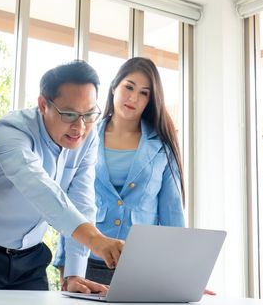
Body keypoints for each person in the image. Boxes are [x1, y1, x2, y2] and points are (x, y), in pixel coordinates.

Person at [0, 60, 124, 294]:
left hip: (32, 260)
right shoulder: (10, 130)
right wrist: (95, 239)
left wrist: (74, 273)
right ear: (42, 104)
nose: (79, 127)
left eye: (89, 114)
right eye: (69, 114)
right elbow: (39, 188)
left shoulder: (88, 138)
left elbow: (82, 199)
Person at [54, 57, 186, 286]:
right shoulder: (84, 134)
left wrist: (185, 273)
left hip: (143, 268)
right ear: (114, 86)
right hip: (88, 263)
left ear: (151, 100)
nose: (134, 98)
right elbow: (71, 204)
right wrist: (66, 266)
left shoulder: (162, 146)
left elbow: (172, 215)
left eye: (144, 93)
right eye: (129, 87)